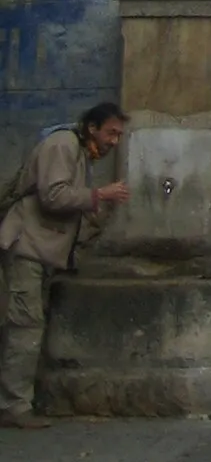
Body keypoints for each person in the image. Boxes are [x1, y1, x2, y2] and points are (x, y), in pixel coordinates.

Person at [0, 100, 129, 426]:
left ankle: (18, 401)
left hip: (40, 251)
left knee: (26, 325)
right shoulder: (62, 145)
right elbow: (53, 196)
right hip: (26, 247)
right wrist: (98, 195)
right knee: (24, 327)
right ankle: (13, 407)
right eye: (111, 133)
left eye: (118, 135)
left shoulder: (80, 153)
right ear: (92, 128)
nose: (114, 141)